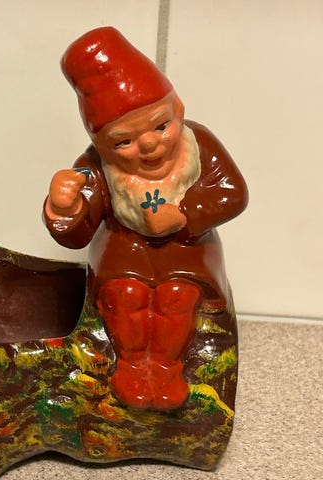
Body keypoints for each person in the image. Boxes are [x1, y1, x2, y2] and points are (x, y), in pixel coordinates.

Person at [43, 27, 248, 411]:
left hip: (187, 250)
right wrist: (65, 208)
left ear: (178, 109)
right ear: (102, 144)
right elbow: (79, 230)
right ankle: (133, 365)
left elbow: (232, 193)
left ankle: (167, 368)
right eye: (124, 141)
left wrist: (184, 216)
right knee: (125, 296)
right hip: (125, 250)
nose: (151, 144)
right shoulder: (96, 166)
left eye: (161, 125)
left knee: (177, 296)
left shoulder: (199, 145)